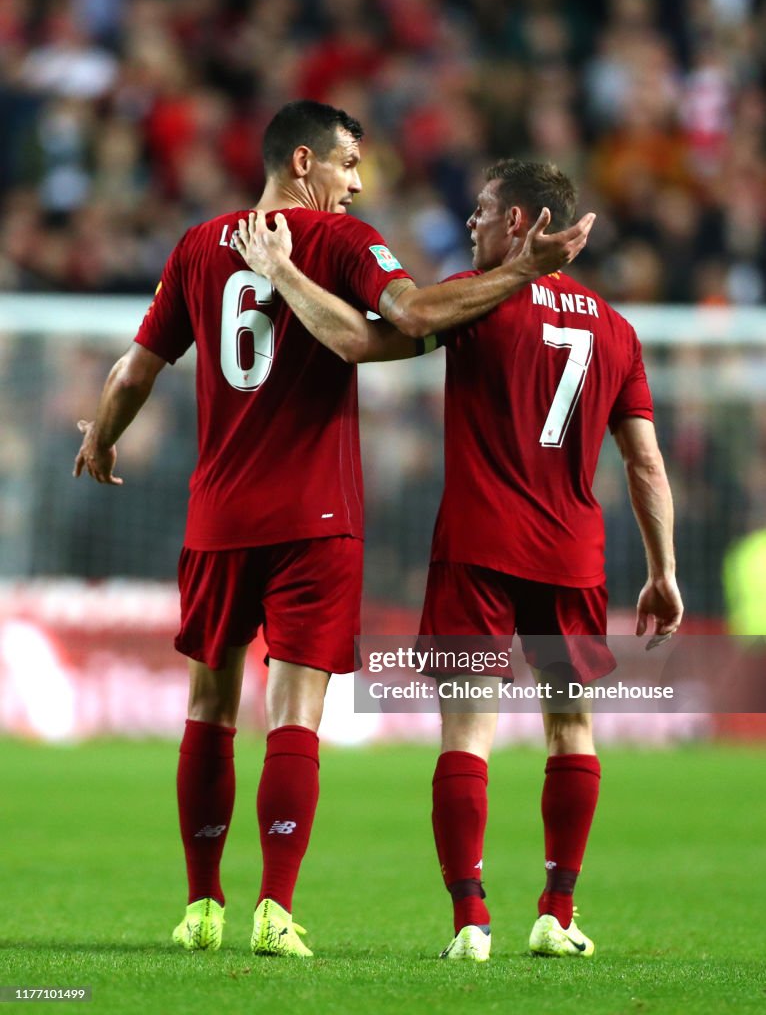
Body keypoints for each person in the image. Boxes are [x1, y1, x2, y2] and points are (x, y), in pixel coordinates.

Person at [73, 102, 595, 958]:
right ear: (306, 161)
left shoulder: (199, 245)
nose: (358, 183)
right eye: (350, 164)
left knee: (208, 706)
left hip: (218, 513)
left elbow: (136, 367)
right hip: (316, 518)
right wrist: (527, 272)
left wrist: (100, 435)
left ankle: (201, 904)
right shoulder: (346, 245)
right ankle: (274, 909)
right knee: (296, 711)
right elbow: (414, 317)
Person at [234, 159, 684, 962]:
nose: (468, 224)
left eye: (480, 212)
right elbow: (644, 463)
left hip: (478, 546)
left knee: (465, 734)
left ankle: (471, 921)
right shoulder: (617, 330)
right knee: (571, 730)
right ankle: (558, 911)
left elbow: (363, 340)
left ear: (520, 223)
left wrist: (284, 274)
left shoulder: (478, 305)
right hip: (573, 551)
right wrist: (663, 570)